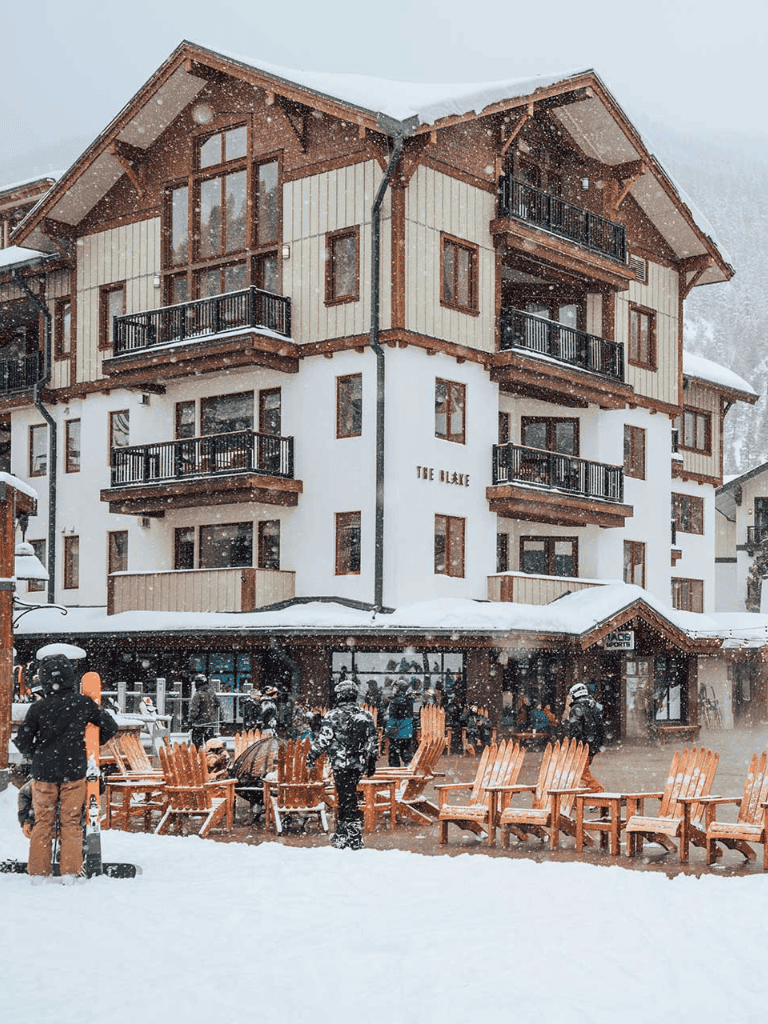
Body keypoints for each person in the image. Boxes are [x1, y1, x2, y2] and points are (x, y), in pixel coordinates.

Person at [13, 647, 118, 883]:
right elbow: (110, 726)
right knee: (71, 822)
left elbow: (22, 741)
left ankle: (38, 873)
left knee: (43, 822)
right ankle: (70, 872)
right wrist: (91, 744)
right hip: (74, 771)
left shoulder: (38, 707)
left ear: (45, 679)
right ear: (71, 677)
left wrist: (36, 754)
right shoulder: (83, 704)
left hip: (43, 773)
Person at [306, 679, 378, 850]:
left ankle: (352, 836)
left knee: (347, 799)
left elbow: (323, 740)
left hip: (340, 763)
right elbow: (372, 742)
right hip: (357, 764)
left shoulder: (332, 715)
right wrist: (371, 762)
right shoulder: (366, 716)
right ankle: (343, 833)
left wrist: (311, 756)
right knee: (348, 796)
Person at [563, 682, 605, 793]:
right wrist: (598, 745)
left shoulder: (577, 708)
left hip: (582, 746)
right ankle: (577, 798)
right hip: (592, 746)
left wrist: (573, 745)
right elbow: (601, 727)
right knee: (578, 772)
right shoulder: (594, 706)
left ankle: (597, 791)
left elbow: (576, 730)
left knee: (581, 772)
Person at [385, 680, 413, 767]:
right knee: (406, 753)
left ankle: (395, 773)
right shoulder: (408, 700)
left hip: (397, 732)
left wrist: (388, 730)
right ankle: (408, 769)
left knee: (394, 755)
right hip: (407, 731)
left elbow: (393, 718)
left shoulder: (394, 701)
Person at [188, 674, 221, 748]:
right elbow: (218, 703)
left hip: (199, 723)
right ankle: (210, 757)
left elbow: (194, 710)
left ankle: (198, 757)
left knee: (197, 744)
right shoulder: (211, 692)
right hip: (210, 722)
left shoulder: (198, 694)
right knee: (210, 744)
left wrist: (191, 721)